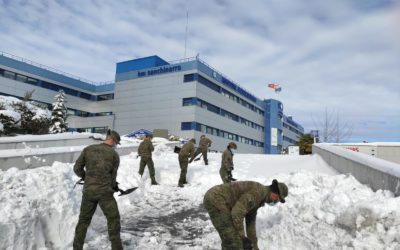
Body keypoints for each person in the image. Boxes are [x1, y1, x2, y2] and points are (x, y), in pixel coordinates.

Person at [73, 130, 123, 250]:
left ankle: (77, 247)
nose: (115, 145)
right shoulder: (113, 155)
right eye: (116, 143)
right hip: (105, 193)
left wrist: (87, 177)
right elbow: (112, 177)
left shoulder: (88, 149)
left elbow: (77, 168)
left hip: (88, 191)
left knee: (83, 220)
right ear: (112, 140)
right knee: (113, 218)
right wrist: (113, 186)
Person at [203, 180, 288, 250]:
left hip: (222, 201)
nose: (275, 202)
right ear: (275, 194)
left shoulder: (260, 198)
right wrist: (243, 237)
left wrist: (255, 247)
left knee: (232, 240)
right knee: (234, 241)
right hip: (216, 198)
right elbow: (237, 213)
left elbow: (250, 224)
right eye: (277, 199)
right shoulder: (258, 193)